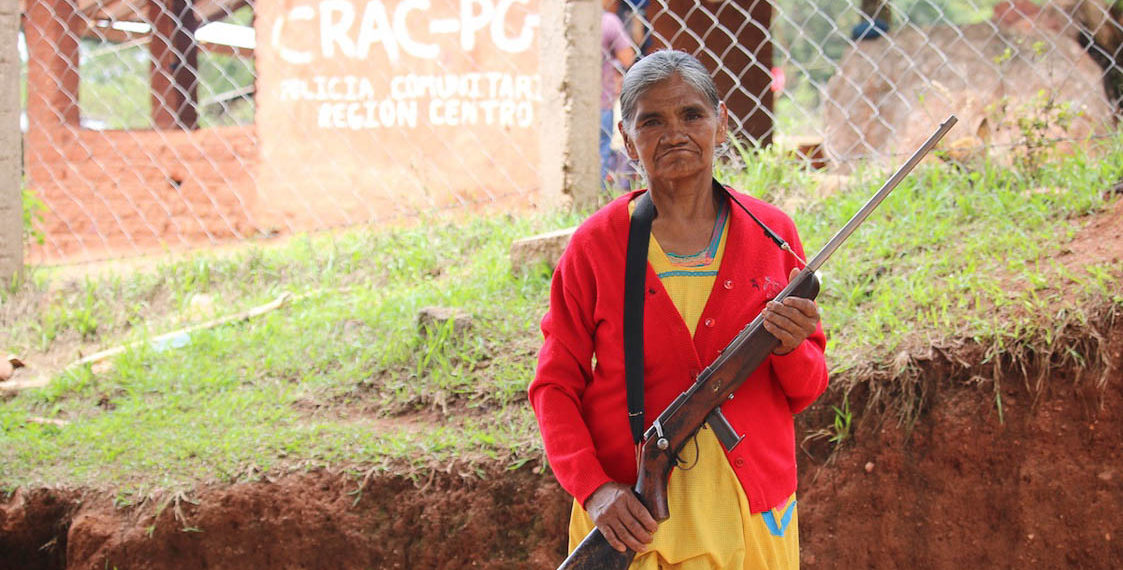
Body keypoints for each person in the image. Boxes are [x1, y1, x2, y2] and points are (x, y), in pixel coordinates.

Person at [529, 50, 828, 569]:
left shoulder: (772, 233)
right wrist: (596, 490)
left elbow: (806, 388)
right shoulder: (595, 246)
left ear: (722, 122)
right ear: (627, 139)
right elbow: (554, 387)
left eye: (692, 115)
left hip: (751, 516)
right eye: (652, 121)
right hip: (632, 522)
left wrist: (790, 345)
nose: (675, 134)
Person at [601, 0, 635, 190]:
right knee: (604, 153)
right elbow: (628, 57)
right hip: (603, 102)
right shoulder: (609, 22)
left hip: (579, 108)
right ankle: (602, 198)